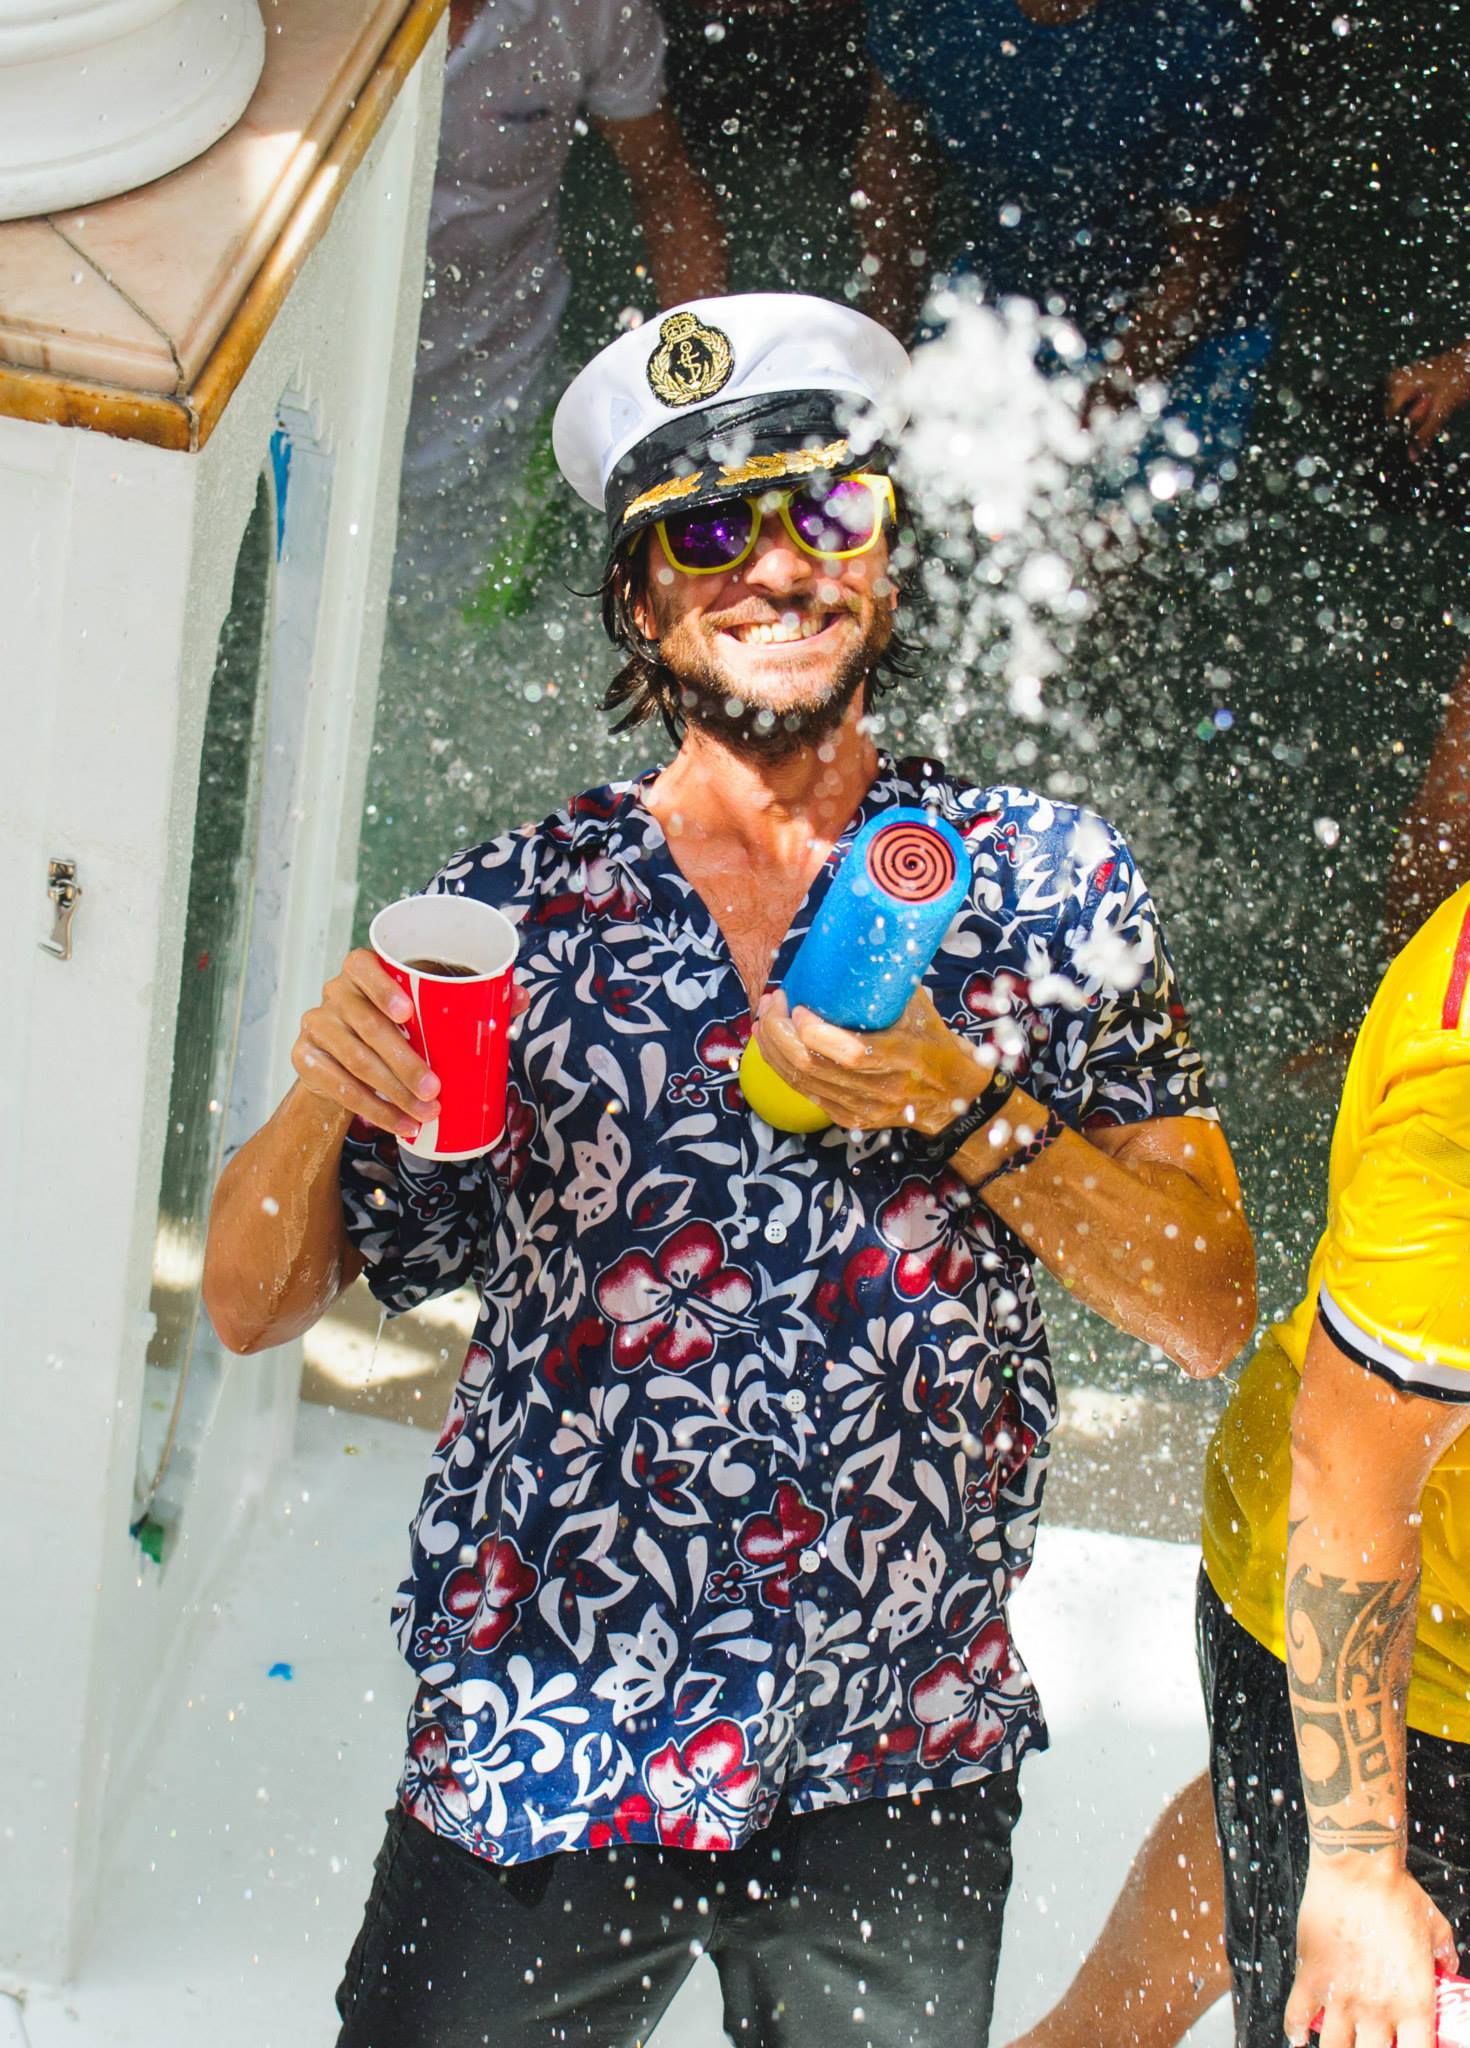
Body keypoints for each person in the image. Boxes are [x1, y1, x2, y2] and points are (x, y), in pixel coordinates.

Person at [202, 291, 1255, 2047]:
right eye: (704, 533)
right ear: (637, 599)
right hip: (549, 1717)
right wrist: (324, 1092)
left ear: (887, 559)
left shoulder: (1045, 886)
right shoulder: (514, 915)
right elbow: (250, 1306)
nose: (775, 568)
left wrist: (961, 1101)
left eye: (827, 509)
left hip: (897, 1740)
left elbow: (1210, 1308)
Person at [1009, 881, 1470, 2048]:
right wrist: (1360, 1869)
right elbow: (1350, 1471)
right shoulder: (1461, 1089)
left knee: (1263, 1839)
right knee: (1336, 1887)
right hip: (1395, 1617)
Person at [395, 0, 725, 607]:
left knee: (457, 616)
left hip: (491, 380)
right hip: (315, 360)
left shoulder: (591, 11)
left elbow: (664, 181)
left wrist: (712, 406)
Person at [856, 0, 1278, 470]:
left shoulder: (1199, 32)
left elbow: (1207, 260)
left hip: (1185, 332)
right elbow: (896, 167)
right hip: (1006, 292)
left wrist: (1090, 414)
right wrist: (885, 356)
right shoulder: (925, 10)